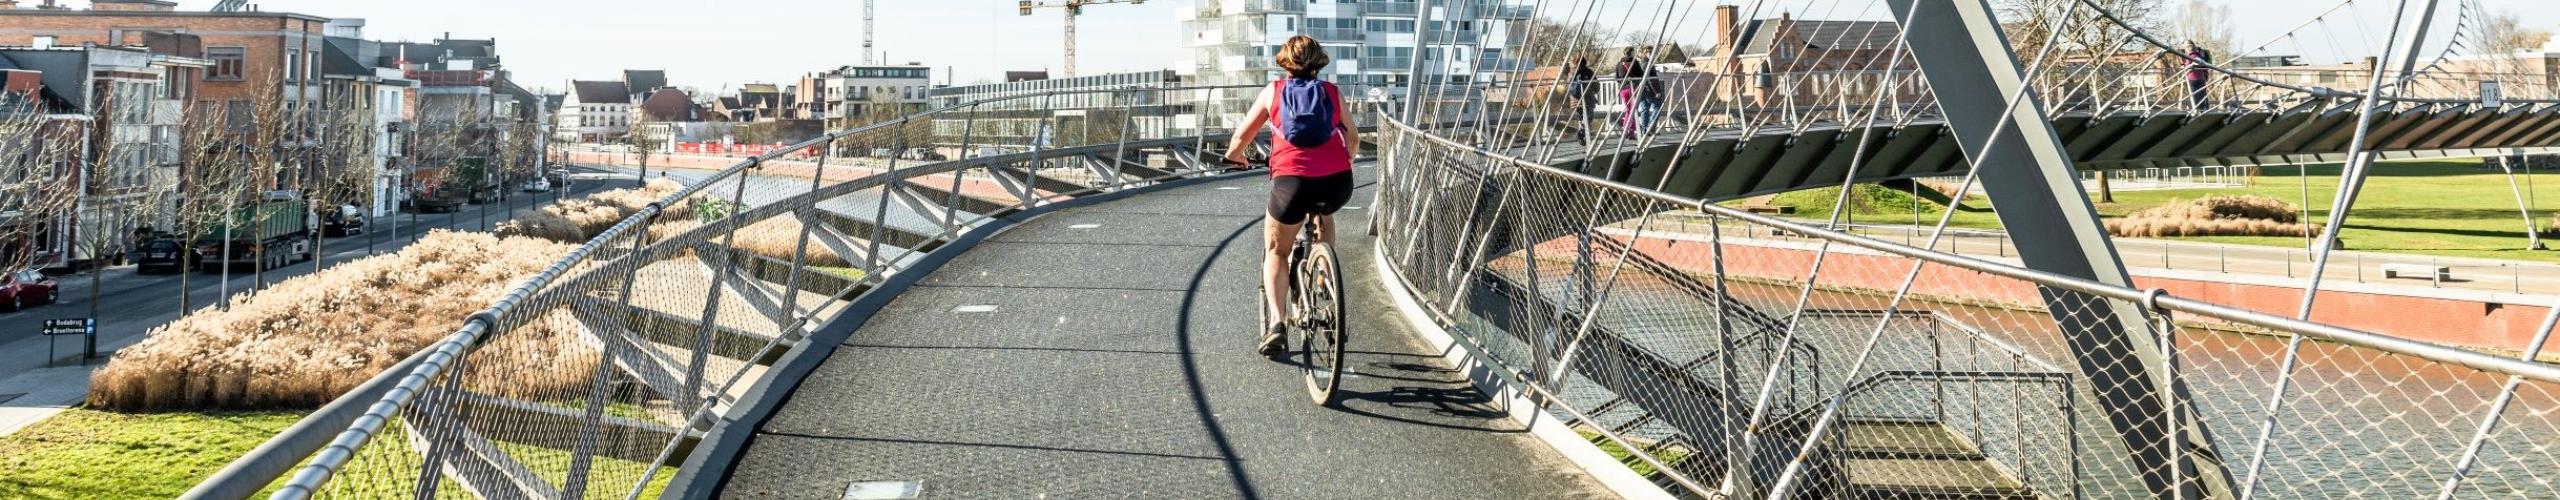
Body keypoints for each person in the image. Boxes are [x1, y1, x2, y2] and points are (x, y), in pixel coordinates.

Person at [1224, 35, 1359, 355]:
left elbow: (1242, 136)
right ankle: (1326, 280)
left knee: (1276, 250)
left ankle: (1277, 324)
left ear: (1285, 61)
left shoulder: (1274, 91)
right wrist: (1345, 162)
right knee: (1324, 213)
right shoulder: (1331, 92)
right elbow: (1352, 137)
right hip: (1337, 182)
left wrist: (1235, 156)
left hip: (1291, 183)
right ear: (1318, 61)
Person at [1635, 47, 1664, 135]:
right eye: (1653, 53)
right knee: (1657, 106)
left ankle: (1644, 129)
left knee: (1645, 108)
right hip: (1649, 89)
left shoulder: (1641, 63)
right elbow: (1649, 79)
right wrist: (1656, 91)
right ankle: (1650, 126)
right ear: (1647, 53)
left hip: (1643, 89)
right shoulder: (1647, 63)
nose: (1654, 55)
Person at [1615, 47, 1640, 139]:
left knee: (1629, 110)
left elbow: (1617, 78)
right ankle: (1630, 131)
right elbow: (1641, 75)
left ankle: (1626, 129)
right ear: (1632, 53)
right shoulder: (1635, 62)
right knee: (1632, 110)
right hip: (1632, 88)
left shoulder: (1619, 63)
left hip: (1623, 89)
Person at [2185, 43, 2212, 109]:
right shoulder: (2200, 57)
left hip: (2193, 78)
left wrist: (2184, 66)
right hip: (2201, 78)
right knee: (2202, 94)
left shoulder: (2190, 56)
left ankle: (2196, 108)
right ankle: (2203, 107)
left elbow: (2187, 66)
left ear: (2188, 50)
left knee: (2194, 94)